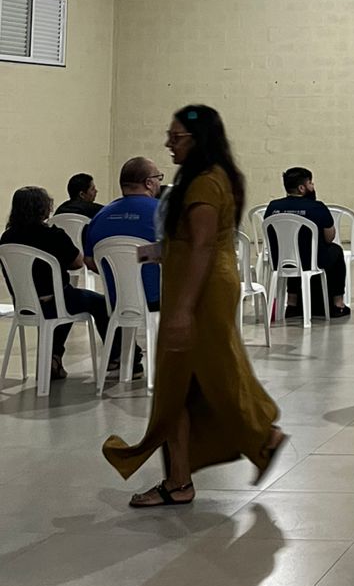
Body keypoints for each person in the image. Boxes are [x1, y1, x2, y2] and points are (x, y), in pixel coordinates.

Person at [103, 105, 286, 505]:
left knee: (205, 378)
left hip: (201, 292)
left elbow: (203, 246)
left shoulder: (204, 183)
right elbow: (194, 240)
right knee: (185, 387)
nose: (169, 143)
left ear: (198, 139)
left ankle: (259, 435)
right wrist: (160, 250)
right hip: (199, 284)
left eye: (176, 137)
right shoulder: (208, 177)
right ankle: (181, 480)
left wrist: (184, 309)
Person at [0, 186, 112, 381]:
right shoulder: (53, 235)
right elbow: (77, 262)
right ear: (43, 209)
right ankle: (116, 357)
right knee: (98, 303)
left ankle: (54, 357)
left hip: (24, 304)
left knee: (67, 299)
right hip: (55, 301)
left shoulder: (7, 238)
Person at [263, 166, 350, 320]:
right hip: (311, 261)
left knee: (292, 253)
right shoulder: (317, 207)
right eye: (310, 183)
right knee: (336, 251)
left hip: (280, 260)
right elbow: (329, 237)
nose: (313, 186)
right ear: (302, 188)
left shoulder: (273, 206)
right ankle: (338, 303)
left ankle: (292, 303)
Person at [84, 156, 165, 308]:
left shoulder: (99, 217)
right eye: (158, 178)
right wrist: (143, 255)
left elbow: (89, 260)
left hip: (116, 302)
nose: (159, 183)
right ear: (149, 183)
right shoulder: (164, 211)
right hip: (157, 301)